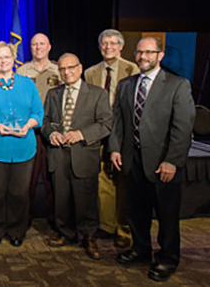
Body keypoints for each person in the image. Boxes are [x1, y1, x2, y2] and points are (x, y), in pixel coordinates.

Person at [110, 37, 195, 282]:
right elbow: (118, 121)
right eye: (139, 52)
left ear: (160, 55)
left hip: (162, 163)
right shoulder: (126, 84)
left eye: (149, 52)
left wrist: (173, 161)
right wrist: (115, 149)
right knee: (137, 211)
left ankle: (168, 258)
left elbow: (182, 127)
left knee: (167, 215)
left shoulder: (178, 85)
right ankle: (140, 249)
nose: (143, 56)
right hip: (131, 159)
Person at [42, 53, 112, 260]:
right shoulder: (53, 94)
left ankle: (88, 237)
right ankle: (65, 233)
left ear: (80, 68)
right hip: (58, 154)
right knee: (61, 198)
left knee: (86, 200)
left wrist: (81, 134)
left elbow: (106, 124)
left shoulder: (97, 94)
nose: (66, 72)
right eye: (62, 69)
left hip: (83, 154)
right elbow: (45, 122)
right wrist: (51, 134)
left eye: (71, 68)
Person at [0, 41, 43, 247]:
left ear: (13, 59)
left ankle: (16, 230)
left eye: (7, 57)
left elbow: (38, 113)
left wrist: (28, 126)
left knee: (19, 192)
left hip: (23, 146)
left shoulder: (28, 84)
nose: (3, 61)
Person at [84, 29, 139, 249]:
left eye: (113, 43)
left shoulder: (132, 69)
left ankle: (123, 229)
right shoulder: (90, 72)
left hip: (124, 133)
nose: (108, 47)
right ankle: (106, 225)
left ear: (121, 46)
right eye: (104, 44)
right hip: (98, 131)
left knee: (124, 182)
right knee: (102, 179)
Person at [16, 33, 59, 228]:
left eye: (42, 44)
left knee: (52, 179)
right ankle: (24, 218)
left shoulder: (60, 70)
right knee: (27, 179)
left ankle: (54, 221)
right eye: (34, 44)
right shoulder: (22, 71)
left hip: (52, 131)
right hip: (29, 131)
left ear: (49, 46)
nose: (38, 47)